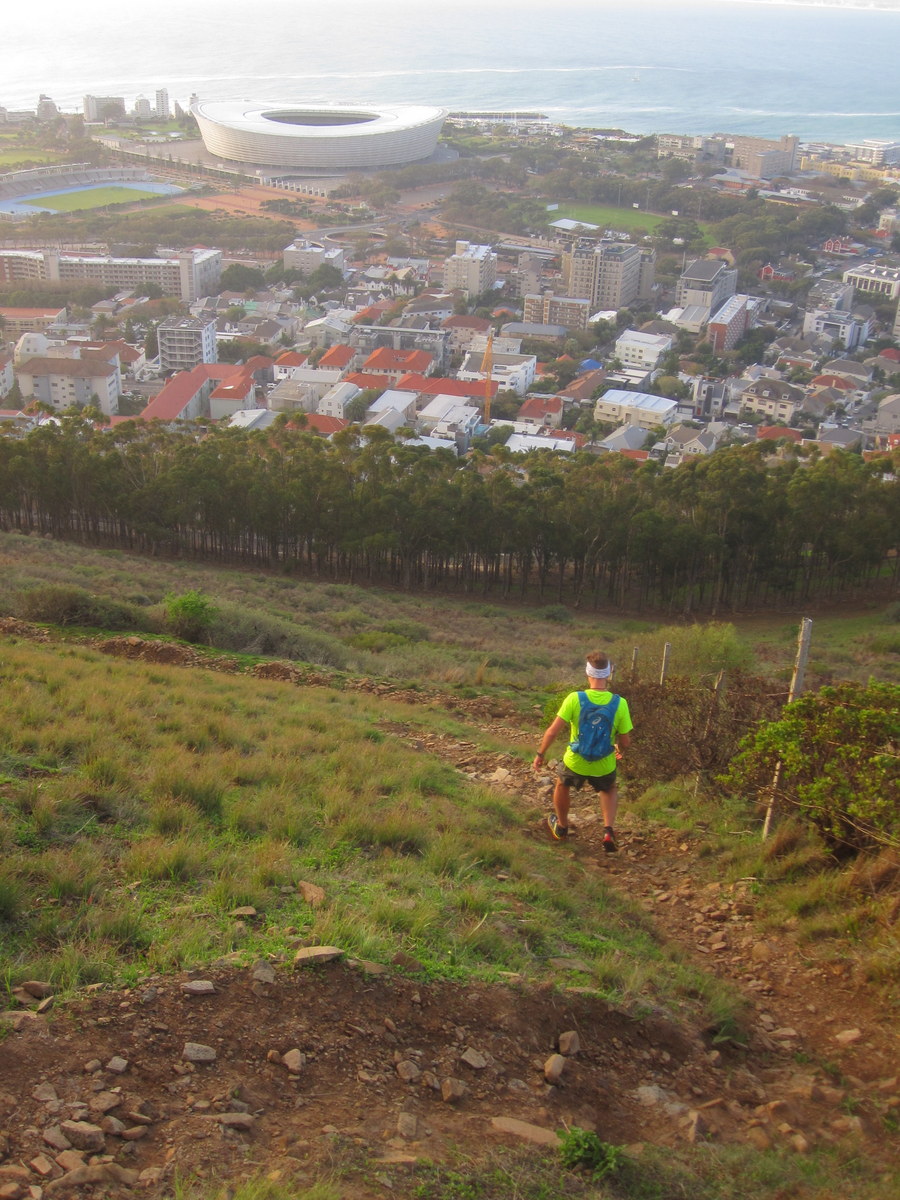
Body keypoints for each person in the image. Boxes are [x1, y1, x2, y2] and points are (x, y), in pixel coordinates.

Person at [533, 652, 633, 851]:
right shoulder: (620, 703)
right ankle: (608, 831)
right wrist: (618, 751)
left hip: (576, 760)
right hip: (604, 762)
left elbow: (552, 731)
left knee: (562, 784)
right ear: (609, 674)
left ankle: (561, 826)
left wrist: (540, 754)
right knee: (609, 788)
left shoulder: (574, 698)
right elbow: (625, 741)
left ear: (588, 672)